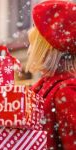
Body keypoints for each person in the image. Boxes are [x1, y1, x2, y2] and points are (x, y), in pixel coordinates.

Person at [25, 0, 76, 149]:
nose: (30, 49)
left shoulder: (65, 90)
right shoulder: (43, 86)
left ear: (46, 48)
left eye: (34, 42)